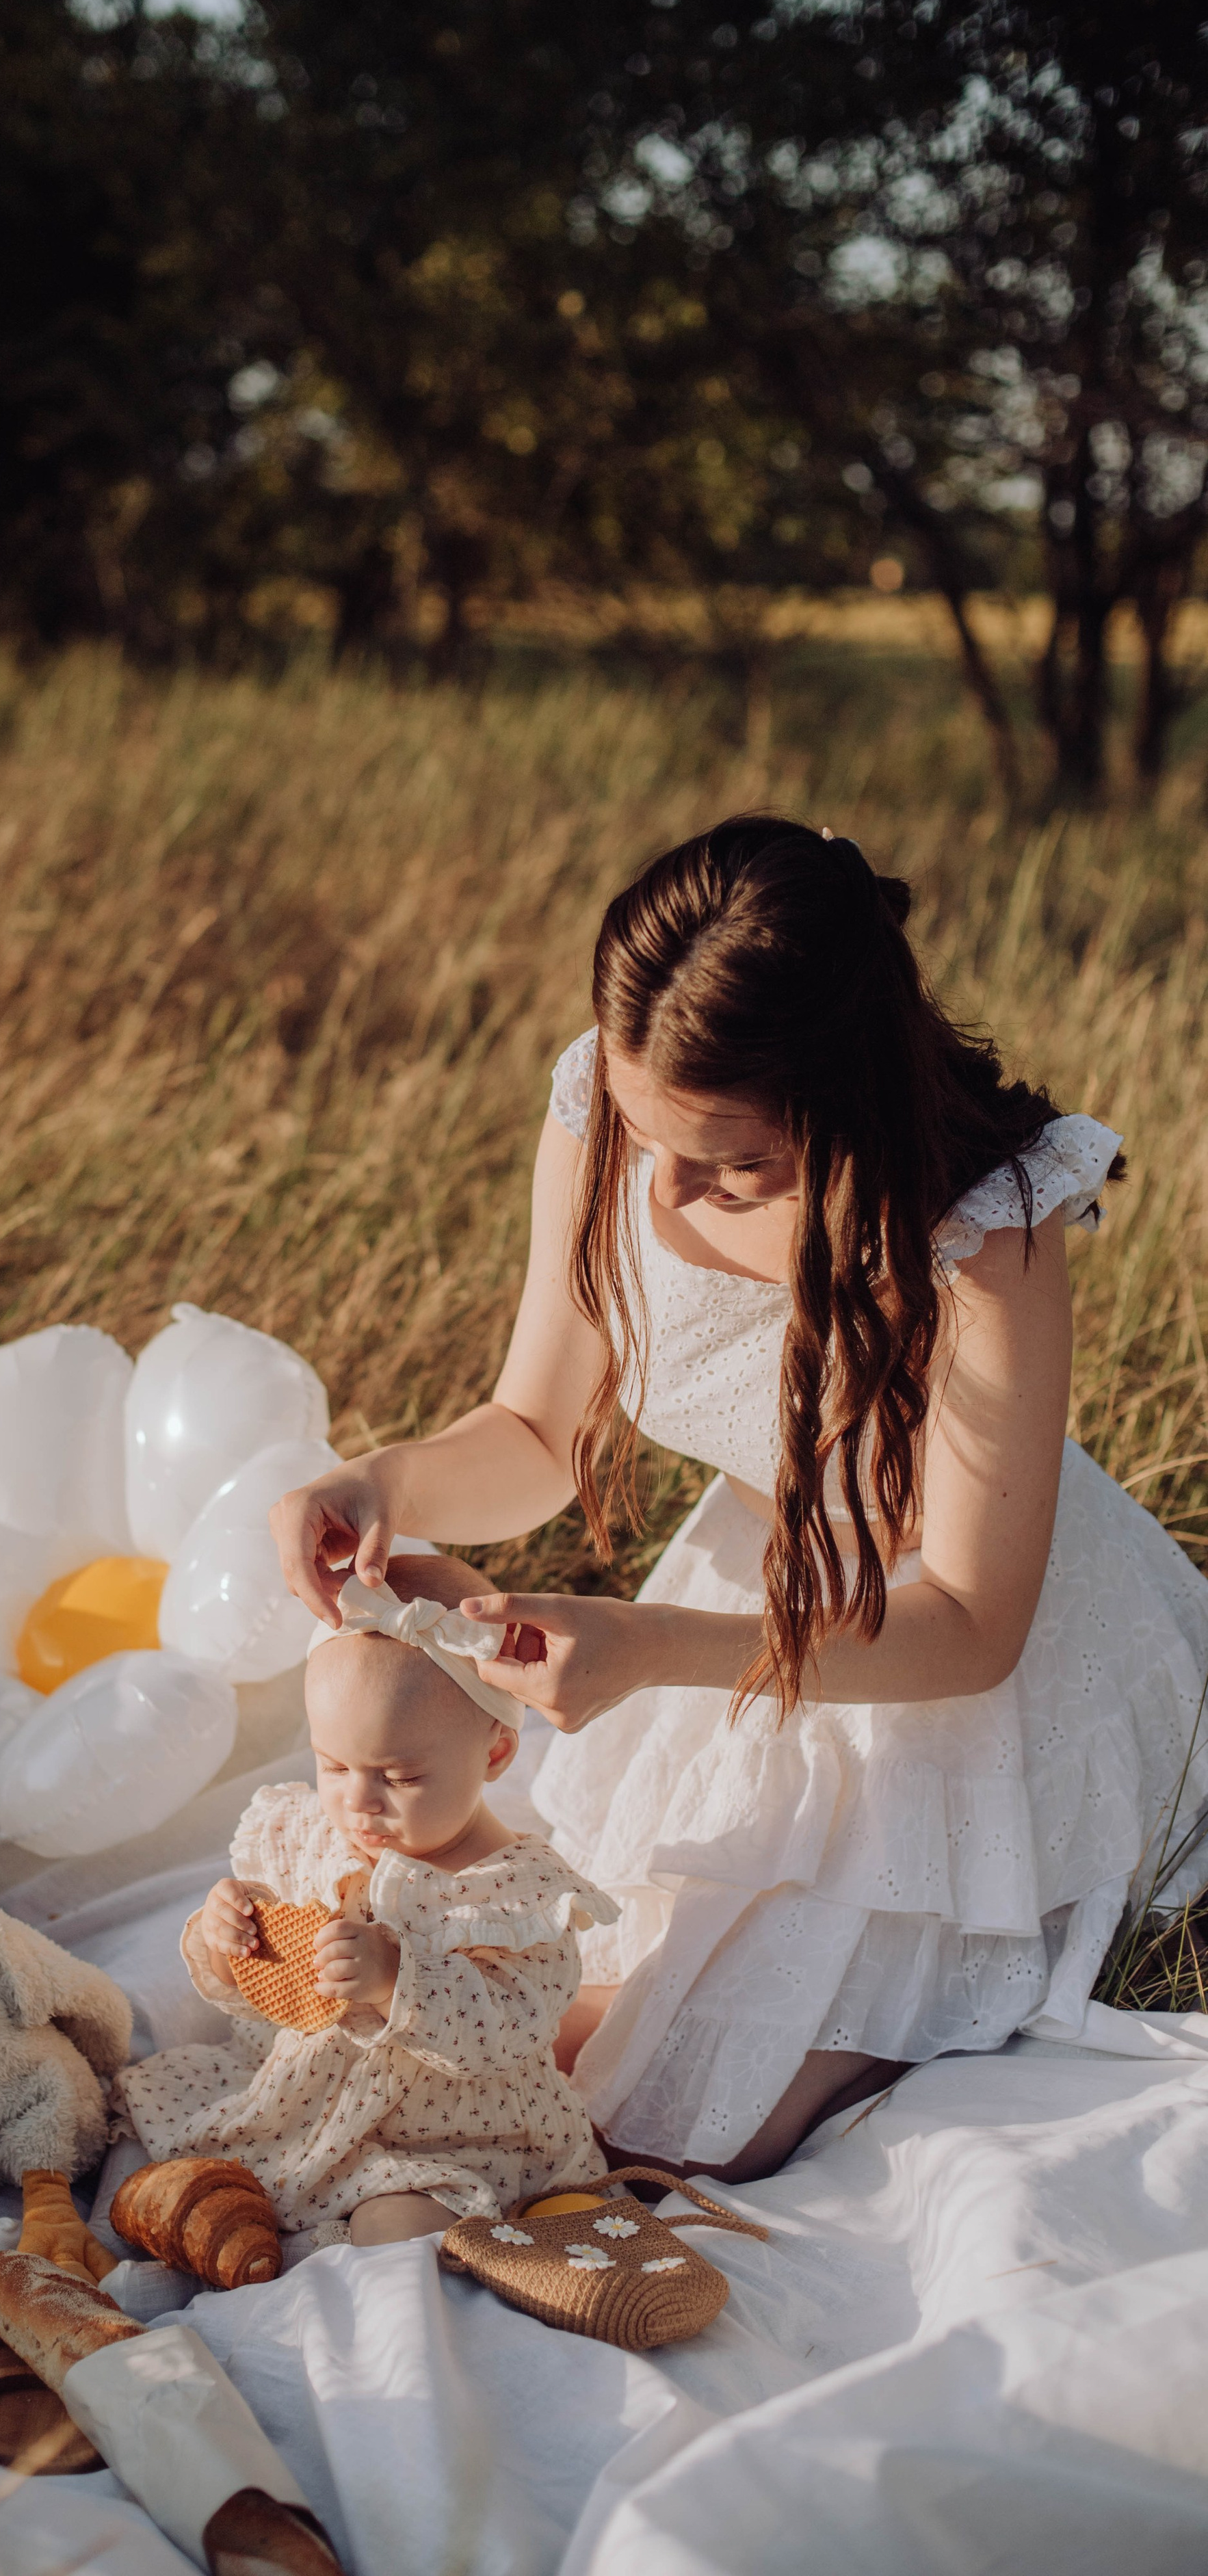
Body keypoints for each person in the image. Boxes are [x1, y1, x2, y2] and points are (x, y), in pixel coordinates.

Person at [272, 817, 1208, 2184]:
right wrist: (384, 1479)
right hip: (748, 1596)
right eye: (647, 1134)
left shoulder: (978, 1231)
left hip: (930, 1657)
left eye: (732, 1164)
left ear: (848, 1111)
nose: (665, 1190)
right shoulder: (608, 1108)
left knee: (696, 2107)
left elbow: (966, 1625)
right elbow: (533, 1428)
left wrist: (652, 1654)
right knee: (589, 1999)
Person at [114, 1553, 618, 2246]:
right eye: (334, 1766)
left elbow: (511, 2027)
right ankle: (183, 2235)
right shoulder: (320, 1837)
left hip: (450, 2137)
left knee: (399, 2229)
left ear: (496, 1753)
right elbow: (272, 1992)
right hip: (304, 2100)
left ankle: (321, 2257)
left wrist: (396, 1979)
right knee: (147, 2125)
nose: (358, 1803)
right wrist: (228, 1936)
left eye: (400, 1776)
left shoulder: (517, 1894)